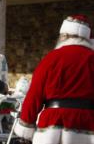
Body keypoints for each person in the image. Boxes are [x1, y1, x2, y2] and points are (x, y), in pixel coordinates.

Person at [14, 15, 94, 144]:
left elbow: (34, 95)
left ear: (64, 35)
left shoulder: (51, 58)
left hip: (52, 123)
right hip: (87, 123)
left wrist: (26, 126)